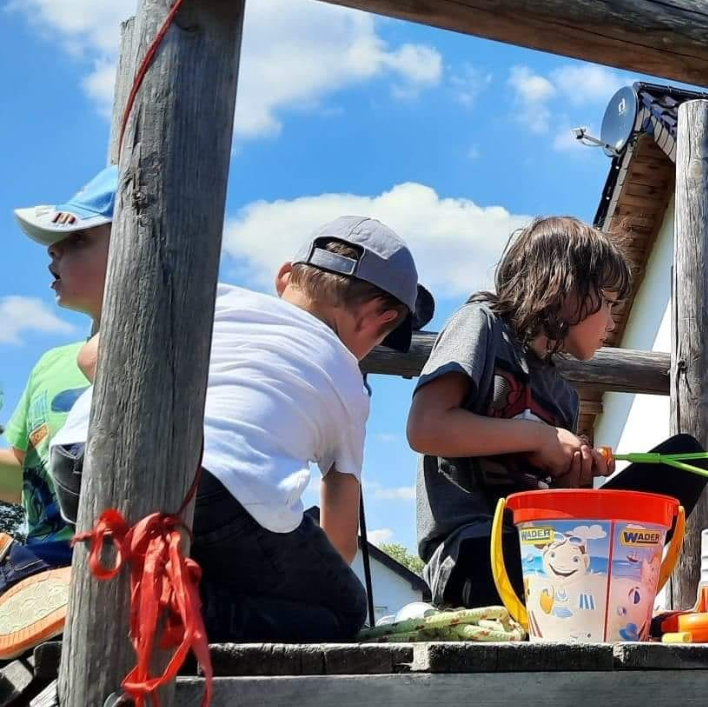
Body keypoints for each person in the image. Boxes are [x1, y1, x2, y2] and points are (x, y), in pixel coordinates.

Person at [50, 216, 434, 644]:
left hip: (80, 458)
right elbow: (341, 541)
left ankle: (101, 589)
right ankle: (166, 610)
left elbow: (91, 357)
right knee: (341, 608)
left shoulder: (218, 299)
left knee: (211, 549)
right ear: (378, 318)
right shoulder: (348, 382)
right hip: (213, 485)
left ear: (285, 276)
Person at [408, 215, 707, 609]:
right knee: (546, 564)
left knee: (684, 458)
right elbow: (426, 427)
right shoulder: (480, 325)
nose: (613, 321)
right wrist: (540, 437)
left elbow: (563, 508)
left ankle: (602, 584)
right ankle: (603, 585)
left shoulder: (562, 393)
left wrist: (575, 475)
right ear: (567, 290)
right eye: (610, 304)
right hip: (475, 554)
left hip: (548, 550)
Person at [0, 165, 115, 657]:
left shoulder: (192, 349)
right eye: (54, 244)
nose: (53, 252)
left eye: (76, 241)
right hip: (42, 565)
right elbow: (16, 471)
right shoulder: (49, 364)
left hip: (105, 557)